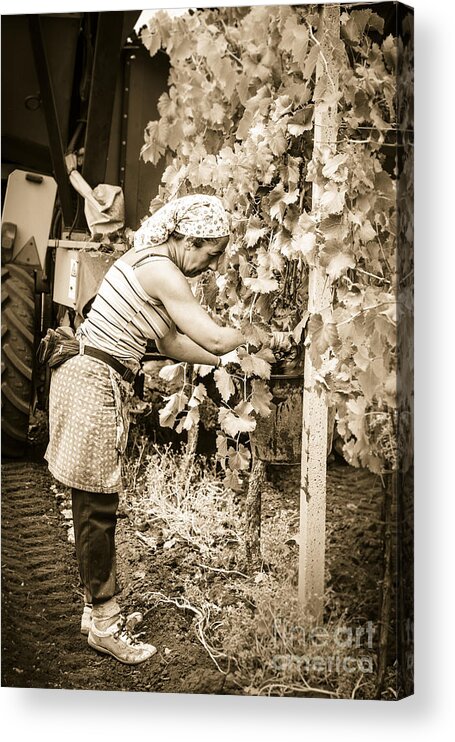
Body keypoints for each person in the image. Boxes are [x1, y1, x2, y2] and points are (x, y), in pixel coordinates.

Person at [45, 194, 250, 665]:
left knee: (94, 503)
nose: (210, 267)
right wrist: (256, 339)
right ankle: (106, 626)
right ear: (191, 239)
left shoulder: (152, 264)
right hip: (91, 381)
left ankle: (95, 613)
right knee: (96, 508)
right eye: (211, 255)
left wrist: (227, 361)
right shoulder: (162, 271)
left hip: (90, 377)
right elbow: (213, 334)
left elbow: (174, 342)